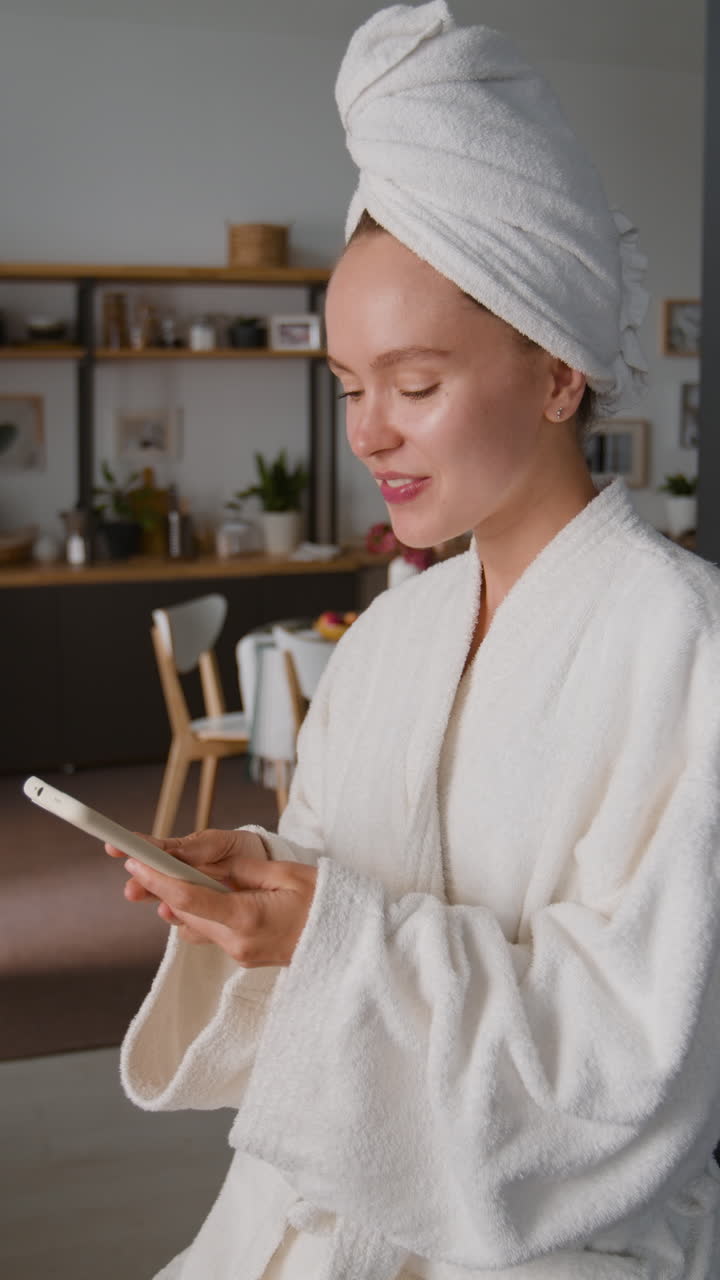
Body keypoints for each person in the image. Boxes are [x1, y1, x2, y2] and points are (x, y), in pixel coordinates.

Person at [109, 4, 720, 1278]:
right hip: (315, 1209)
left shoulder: (683, 642)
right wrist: (256, 887)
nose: (368, 433)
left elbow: (635, 1052)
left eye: (416, 383)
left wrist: (328, 937)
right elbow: (344, 880)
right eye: (347, 388)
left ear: (559, 372)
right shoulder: (394, 634)